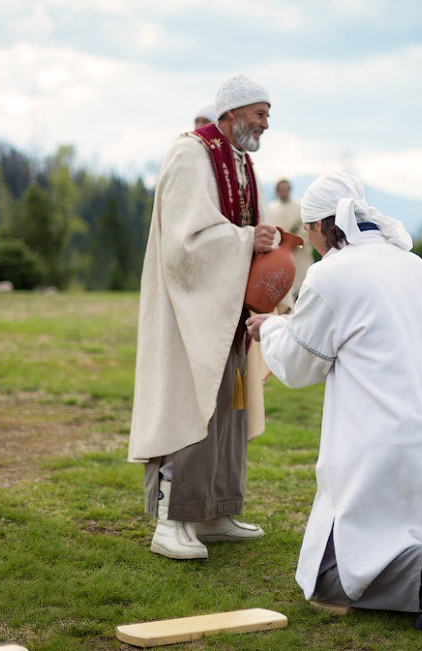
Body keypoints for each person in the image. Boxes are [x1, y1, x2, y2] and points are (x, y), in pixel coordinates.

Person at [246, 172, 422, 631]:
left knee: (330, 579)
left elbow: (298, 364)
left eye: (309, 233)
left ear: (318, 226)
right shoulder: (413, 265)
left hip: (383, 443)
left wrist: (268, 326)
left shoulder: (331, 275)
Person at [128, 73, 277, 560]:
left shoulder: (239, 161)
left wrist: (259, 242)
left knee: (229, 412)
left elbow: (232, 229)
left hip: (226, 310)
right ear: (231, 113)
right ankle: (171, 522)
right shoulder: (191, 153)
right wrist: (242, 241)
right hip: (189, 312)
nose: (266, 124)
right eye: (259, 114)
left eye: (268, 115)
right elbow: (183, 242)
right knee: (189, 407)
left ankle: (214, 511)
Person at [267, 178, 313, 303]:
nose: (284, 192)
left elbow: (307, 231)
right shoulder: (271, 209)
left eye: (286, 189)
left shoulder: (300, 207)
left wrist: (294, 243)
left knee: (302, 291)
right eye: (282, 190)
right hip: (280, 256)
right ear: (277, 191)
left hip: (299, 257)